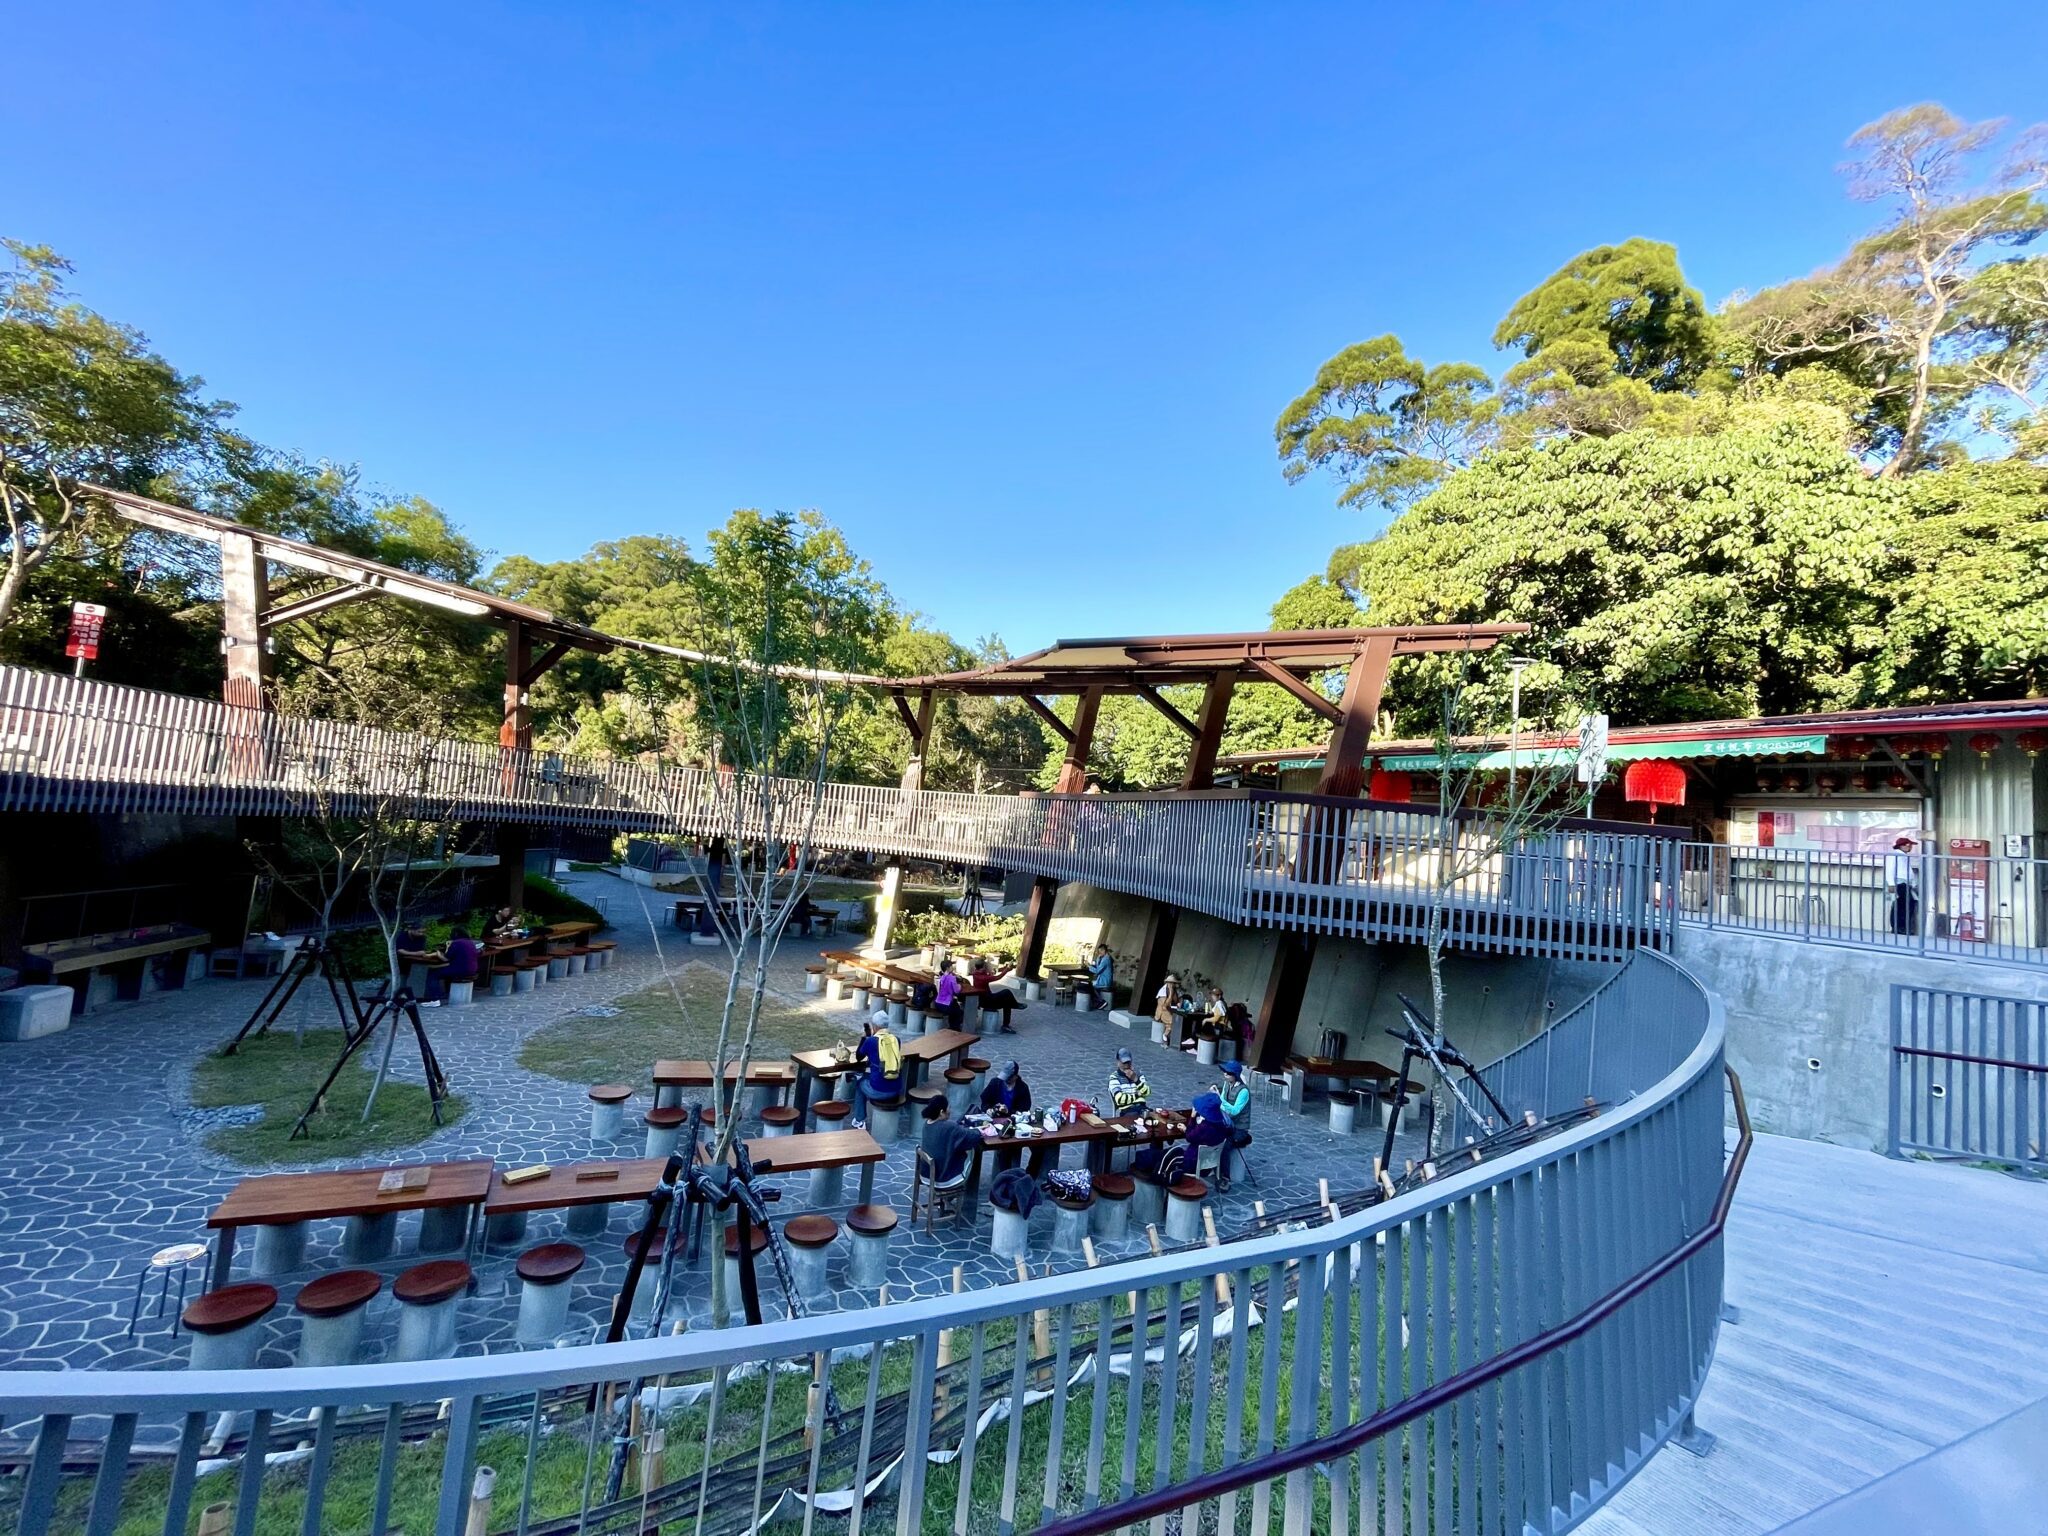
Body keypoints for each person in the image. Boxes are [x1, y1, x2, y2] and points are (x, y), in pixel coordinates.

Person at [850, 1010, 904, 1130]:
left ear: (875, 1026)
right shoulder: (896, 1040)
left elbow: (859, 1057)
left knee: (859, 1082)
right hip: (896, 1090)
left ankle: (859, 1120)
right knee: (868, 1077)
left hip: (879, 1091)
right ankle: (859, 1119)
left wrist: (864, 1038)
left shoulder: (870, 1041)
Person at [920, 1096, 981, 1191]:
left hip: (926, 1176)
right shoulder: (948, 1127)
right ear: (941, 1112)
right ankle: (969, 1196)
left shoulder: (927, 1123)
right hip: (942, 1180)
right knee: (972, 1152)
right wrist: (979, 1130)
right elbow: (972, 1137)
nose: (950, 1111)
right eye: (949, 1108)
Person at [1186, 1090, 1234, 1189]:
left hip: (1193, 1161)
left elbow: (1189, 1137)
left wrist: (1192, 1118)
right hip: (1211, 1161)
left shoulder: (1204, 1127)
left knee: (1175, 1153)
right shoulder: (1222, 1124)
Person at [972, 958, 1024, 1032]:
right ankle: (1015, 1005)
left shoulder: (976, 973)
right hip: (986, 1001)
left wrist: (1005, 968)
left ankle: (1005, 1026)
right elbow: (997, 977)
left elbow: (992, 972)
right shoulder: (982, 977)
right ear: (983, 967)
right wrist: (1007, 970)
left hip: (985, 999)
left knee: (1007, 1001)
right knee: (1006, 992)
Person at [1886, 835, 1922, 936]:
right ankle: (1898, 927)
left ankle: (1903, 927)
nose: (1910, 847)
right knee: (1901, 906)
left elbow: (1908, 871)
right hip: (1899, 883)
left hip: (1906, 883)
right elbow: (1890, 869)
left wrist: (1913, 883)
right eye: (1908, 845)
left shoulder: (1904, 856)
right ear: (1901, 846)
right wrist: (1891, 883)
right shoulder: (1895, 855)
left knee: (1907, 905)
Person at [429, 933, 480, 1000]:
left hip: (459, 970)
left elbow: (446, 959)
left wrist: (438, 953)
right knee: (446, 972)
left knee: (433, 974)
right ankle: (446, 993)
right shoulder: (471, 942)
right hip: (472, 969)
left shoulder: (456, 943)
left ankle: (435, 997)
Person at [1108, 1047, 1151, 1113]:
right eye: (1124, 1063)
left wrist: (1136, 1080)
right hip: (1127, 1110)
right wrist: (1137, 1095)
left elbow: (1147, 1092)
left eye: (1128, 1062)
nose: (1126, 1065)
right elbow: (1119, 1099)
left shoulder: (1138, 1074)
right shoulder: (1114, 1077)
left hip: (1142, 1108)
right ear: (1118, 1062)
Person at [1085, 944, 1114, 1010]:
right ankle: (1097, 1002)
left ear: (1104, 950)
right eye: (1099, 951)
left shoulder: (1106, 959)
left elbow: (1097, 971)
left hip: (1105, 981)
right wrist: (1098, 958)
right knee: (1089, 984)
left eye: (1101, 951)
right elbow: (1098, 966)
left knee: (1090, 986)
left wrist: (1089, 966)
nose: (1099, 952)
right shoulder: (1102, 958)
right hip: (1101, 980)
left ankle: (1101, 1002)